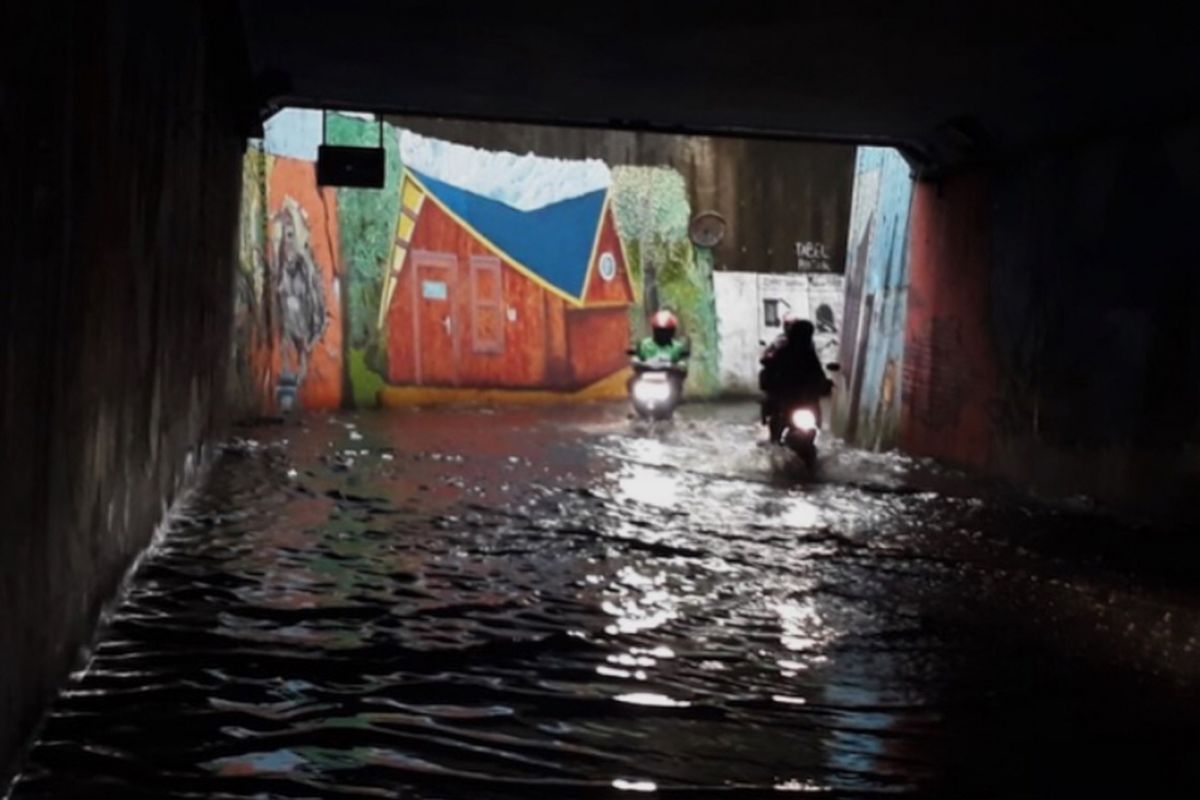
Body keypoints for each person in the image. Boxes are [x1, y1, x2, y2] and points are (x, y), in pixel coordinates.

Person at [759, 315, 831, 429]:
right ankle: (773, 434)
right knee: (775, 413)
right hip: (786, 399)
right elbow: (769, 367)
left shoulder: (810, 355)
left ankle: (816, 429)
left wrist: (825, 383)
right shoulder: (782, 350)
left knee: (816, 416)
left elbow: (818, 374)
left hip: (806, 400)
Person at [630, 310, 690, 394]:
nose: (663, 334)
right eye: (660, 331)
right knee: (631, 382)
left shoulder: (677, 347)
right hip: (647, 377)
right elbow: (637, 357)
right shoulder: (645, 344)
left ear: (672, 332)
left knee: (676, 383)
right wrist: (636, 360)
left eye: (666, 331)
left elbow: (682, 364)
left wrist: (679, 365)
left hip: (668, 379)